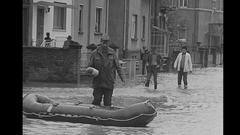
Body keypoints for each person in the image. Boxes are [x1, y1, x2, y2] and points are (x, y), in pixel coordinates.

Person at [87, 34, 125, 107]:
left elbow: (118, 67)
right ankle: (94, 116)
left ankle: (107, 117)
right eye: (103, 42)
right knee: (96, 101)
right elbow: (89, 67)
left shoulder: (112, 53)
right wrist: (90, 72)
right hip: (98, 82)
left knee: (107, 102)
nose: (105, 44)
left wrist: (122, 78)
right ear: (101, 42)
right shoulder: (94, 53)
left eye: (106, 42)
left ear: (109, 42)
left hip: (109, 82)